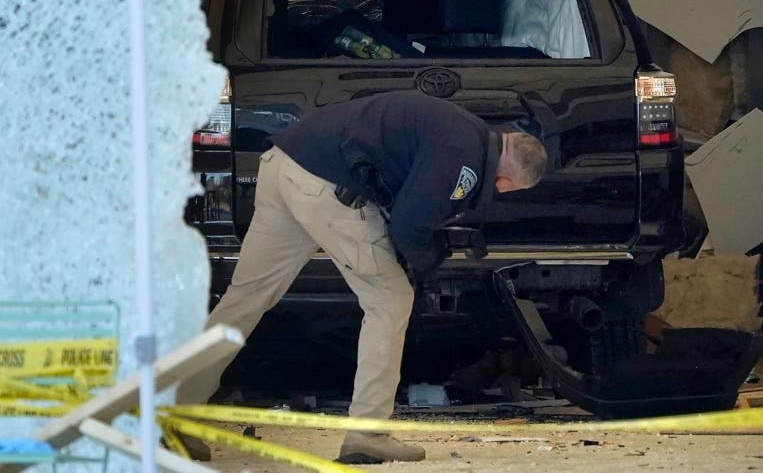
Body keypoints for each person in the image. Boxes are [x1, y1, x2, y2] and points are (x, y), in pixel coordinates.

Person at [175, 90, 548, 464]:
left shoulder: (465, 129)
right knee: (390, 299)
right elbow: (409, 226)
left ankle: (175, 407)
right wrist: (428, 258)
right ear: (508, 183)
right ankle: (366, 435)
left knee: (246, 297)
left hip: (283, 163)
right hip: (326, 186)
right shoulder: (463, 162)